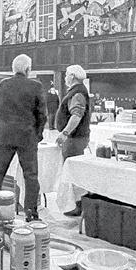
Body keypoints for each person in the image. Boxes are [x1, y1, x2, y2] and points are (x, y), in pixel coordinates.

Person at [0, 54, 47, 221]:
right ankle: (31, 212)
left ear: (13, 69)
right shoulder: (36, 86)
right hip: (27, 136)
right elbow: (42, 115)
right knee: (30, 176)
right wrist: (37, 135)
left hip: (4, 135)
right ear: (28, 69)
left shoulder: (0, 85)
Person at [56, 65, 92, 217]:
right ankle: (79, 204)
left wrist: (65, 133)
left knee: (74, 172)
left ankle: (80, 205)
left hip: (74, 139)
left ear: (72, 76)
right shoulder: (78, 91)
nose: (65, 78)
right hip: (76, 138)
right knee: (74, 171)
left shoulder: (77, 93)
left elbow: (76, 115)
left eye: (66, 75)